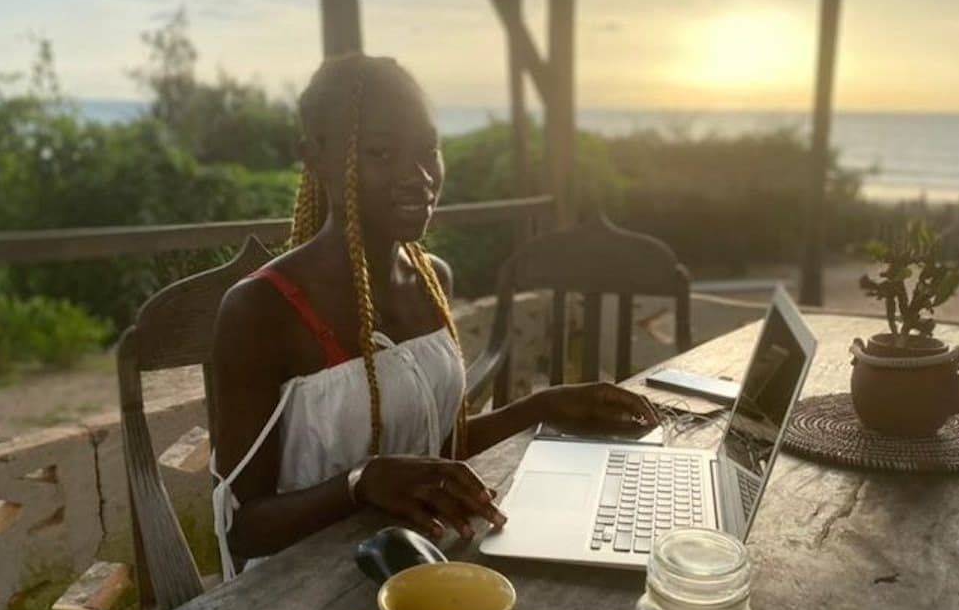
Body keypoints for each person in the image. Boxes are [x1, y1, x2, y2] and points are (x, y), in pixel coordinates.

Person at [210, 54, 658, 579]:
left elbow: (430, 453)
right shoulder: (262, 310)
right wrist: (358, 483)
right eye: (380, 152)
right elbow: (243, 528)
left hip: (417, 559)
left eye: (429, 149)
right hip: (299, 588)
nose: (418, 176)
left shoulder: (431, 281)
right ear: (316, 158)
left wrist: (544, 406)